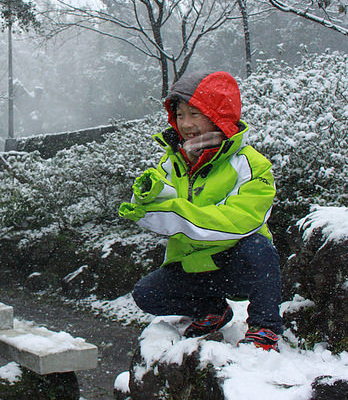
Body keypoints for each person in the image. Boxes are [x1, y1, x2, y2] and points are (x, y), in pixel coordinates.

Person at [118, 70, 282, 351]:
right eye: (180, 115)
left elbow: (240, 221)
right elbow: (153, 208)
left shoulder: (250, 163)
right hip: (195, 266)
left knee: (259, 249)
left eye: (195, 113)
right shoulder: (174, 161)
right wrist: (142, 203)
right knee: (147, 293)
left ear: (218, 114)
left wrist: (174, 212)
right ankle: (212, 310)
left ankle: (265, 327)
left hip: (236, 264)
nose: (186, 124)